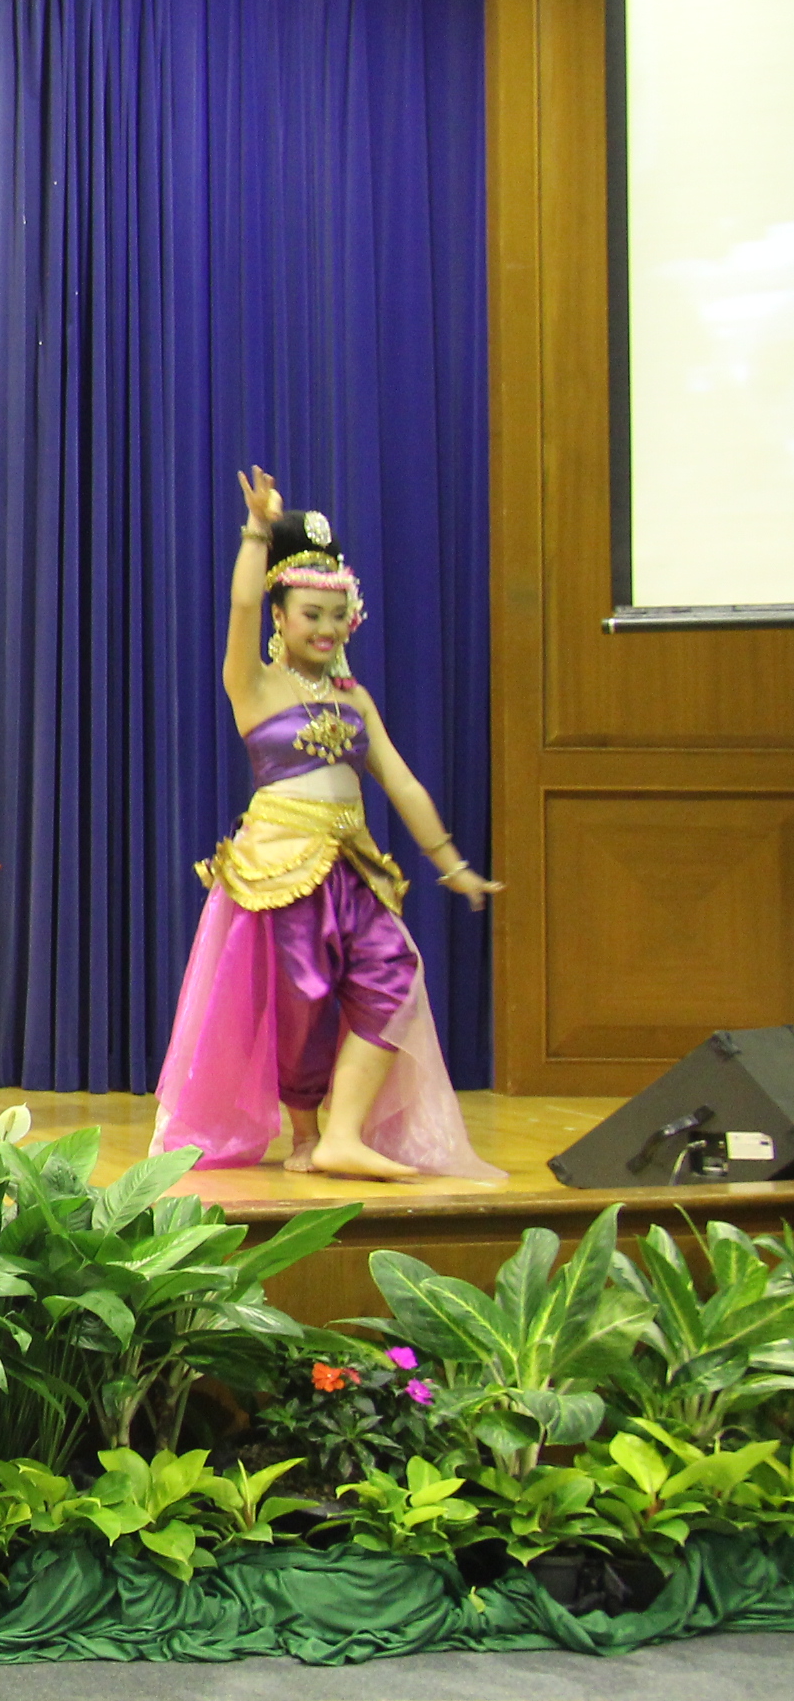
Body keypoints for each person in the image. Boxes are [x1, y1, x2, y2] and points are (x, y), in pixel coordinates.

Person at [151, 474, 503, 1181]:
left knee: (393, 976)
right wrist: (257, 530)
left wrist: (451, 862)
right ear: (280, 618)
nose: (326, 628)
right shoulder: (254, 685)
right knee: (302, 1003)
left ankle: (342, 1133)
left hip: (353, 865)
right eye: (311, 613)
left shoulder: (354, 698)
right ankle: (307, 1134)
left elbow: (401, 782)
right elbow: (241, 602)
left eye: (338, 615)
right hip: (282, 866)